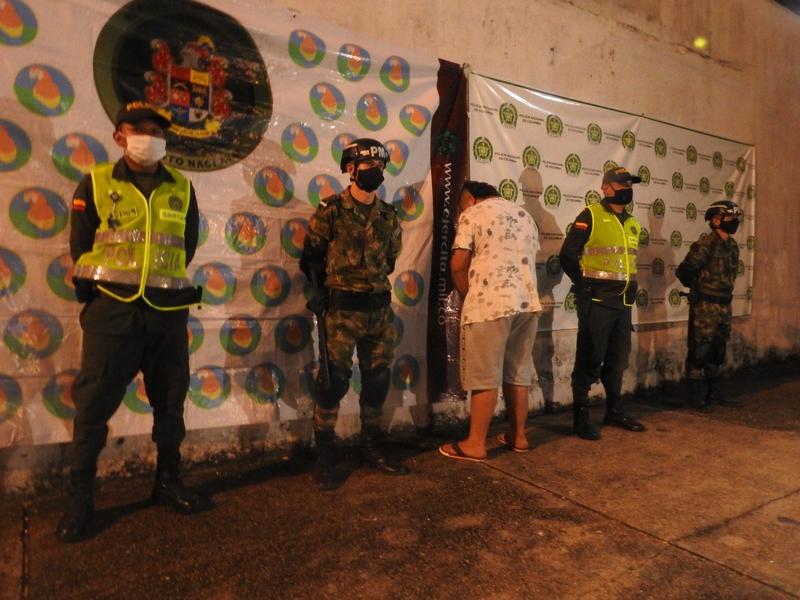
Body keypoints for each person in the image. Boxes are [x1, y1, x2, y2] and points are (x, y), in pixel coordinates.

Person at [56, 101, 210, 543]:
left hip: (166, 314)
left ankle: (167, 481)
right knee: (92, 407)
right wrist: (99, 303)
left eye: (157, 131)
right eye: (140, 129)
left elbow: (185, 245)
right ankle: (81, 501)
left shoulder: (181, 186)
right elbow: (81, 248)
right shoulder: (99, 182)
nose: (149, 137)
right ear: (119, 135)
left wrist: (160, 291)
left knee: (171, 400)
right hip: (113, 315)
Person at [300, 137, 409, 490]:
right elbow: (312, 258)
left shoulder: (389, 216)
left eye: (379, 168)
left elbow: (390, 261)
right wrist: (319, 293)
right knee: (333, 384)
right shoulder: (330, 210)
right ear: (350, 170)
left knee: (377, 381)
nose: (375, 173)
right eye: (367, 168)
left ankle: (371, 447)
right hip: (342, 312)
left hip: (378, 310)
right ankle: (325, 454)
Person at [439, 181, 542, 461]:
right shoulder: (525, 216)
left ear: (470, 198)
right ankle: (519, 437)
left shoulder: (473, 214)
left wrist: (467, 295)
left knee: (484, 375)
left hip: (490, 305)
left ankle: (475, 443)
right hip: (527, 302)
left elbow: (458, 265)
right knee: (517, 374)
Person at [558, 167, 647, 441]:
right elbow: (567, 254)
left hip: (623, 303)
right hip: (597, 301)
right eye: (622, 184)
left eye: (630, 184)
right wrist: (583, 284)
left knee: (618, 360)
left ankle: (614, 410)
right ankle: (580, 417)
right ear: (606, 188)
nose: (627, 188)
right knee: (589, 358)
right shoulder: (591, 216)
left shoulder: (632, 223)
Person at [676, 199, 744, 410]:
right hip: (706, 305)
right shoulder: (706, 243)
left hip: (724, 305)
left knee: (717, 351)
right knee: (700, 351)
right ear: (716, 220)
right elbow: (685, 270)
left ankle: (714, 394)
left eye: (735, 218)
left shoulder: (732, 246)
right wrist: (699, 288)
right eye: (730, 218)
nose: (734, 222)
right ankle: (695, 398)